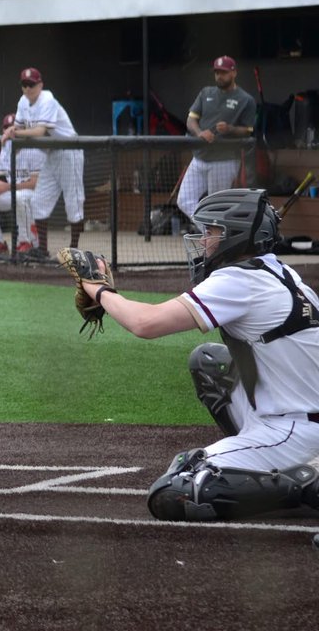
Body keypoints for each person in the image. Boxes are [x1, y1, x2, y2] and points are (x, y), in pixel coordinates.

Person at [71, 188, 319, 522]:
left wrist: (98, 290)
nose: (203, 241)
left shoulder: (240, 281)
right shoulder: (281, 272)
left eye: (211, 232)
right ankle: (259, 456)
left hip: (293, 430)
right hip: (293, 415)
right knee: (209, 363)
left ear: (235, 236)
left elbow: (145, 324)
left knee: (179, 488)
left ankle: (303, 481)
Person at [1, 67, 85, 259]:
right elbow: (20, 126)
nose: (28, 88)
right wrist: (12, 130)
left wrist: (14, 133)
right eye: (24, 85)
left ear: (40, 84)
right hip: (51, 155)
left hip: (69, 151)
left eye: (32, 84)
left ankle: (74, 250)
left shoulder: (47, 99)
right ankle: (42, 249)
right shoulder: (23, 101)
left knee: (73, 203)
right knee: (38, 201)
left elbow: (39, 132)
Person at [176, 55, 256, 219]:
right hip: (200, 156)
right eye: (217, 72)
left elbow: (248, 131)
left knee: (216, 205)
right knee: (184, 200)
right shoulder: (206, 93)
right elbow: (191, 120)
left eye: (224, 72)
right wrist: (199, 133)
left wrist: (230, 128)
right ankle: (210, 232)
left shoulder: (245, 99)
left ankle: (216, 240)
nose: (219, 76)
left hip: (224, 159)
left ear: (234, 73)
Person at [0, 113, 44, 257]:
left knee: (19, 197)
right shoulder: (5, 148)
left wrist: (7, 187)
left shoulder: (34, 149)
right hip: (14, 191)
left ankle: (26, 242)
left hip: (33, 194)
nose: (10, 130)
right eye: (6, 127)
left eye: (13, 127)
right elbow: (2, 178)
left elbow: (34, 183)